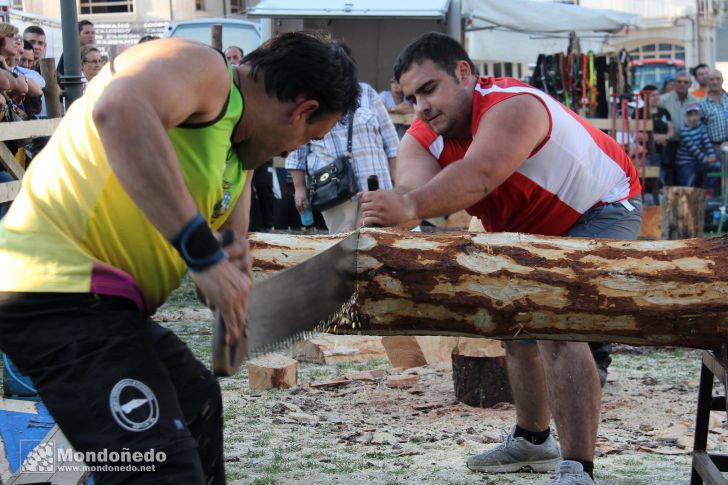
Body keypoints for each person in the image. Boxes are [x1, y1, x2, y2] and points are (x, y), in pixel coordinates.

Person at [0, 32, 358, 484]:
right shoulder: (205, 70)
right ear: (302, 109)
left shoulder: (238, 155)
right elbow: (119, 110)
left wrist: (234, 303)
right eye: (311, 135)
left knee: (196, 403)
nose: (295, 151)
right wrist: (201, 254)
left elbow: (232, 244)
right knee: (160, 470)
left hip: (103, 308)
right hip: (55, 292)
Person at [360, 32, 642, 485]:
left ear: (464, 73)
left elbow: (480, 176)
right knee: (515, 319)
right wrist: (392, 214)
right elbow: (413, 190)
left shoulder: (515, 104)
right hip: (533, 226)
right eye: (411, 98)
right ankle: (534, 443)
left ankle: (578, 469)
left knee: (555, 323)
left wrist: (409, 207)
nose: (421, 107)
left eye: (429, 89)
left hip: (601, 206)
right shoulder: (423, 134)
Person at [287, 54, 398, 233]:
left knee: (378, 243)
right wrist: (299, 188)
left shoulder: (367, 92)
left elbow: (391, 141)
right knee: (342, 245)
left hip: (374, 186)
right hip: (333, 189)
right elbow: (297, 150)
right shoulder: (312, 98)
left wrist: (397, 182)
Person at [659, 71, 697, 186]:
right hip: (668, 144)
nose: (682, 84)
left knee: (685, 178)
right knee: (668, 177)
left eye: (685, 82)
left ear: (690, 84)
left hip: (688, 146)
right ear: (674, 83)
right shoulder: (663, 100)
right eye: (679, 81)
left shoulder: (696, 101)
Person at [634, 85, 673, 183]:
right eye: (653, 95)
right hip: (645, 153)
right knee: (646, 181)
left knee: (660, 180)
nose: (657, 98)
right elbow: (637, 134)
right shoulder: (639, 112)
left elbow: (671, 131)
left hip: (663, 153)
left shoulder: (664, 112)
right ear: (645, 98)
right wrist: (657, 138)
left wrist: (666, 137)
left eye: (657, 95)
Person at [675, 103, 718, 188]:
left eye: (696, 114)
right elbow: (694, 150)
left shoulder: (702, 127)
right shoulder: (684, 131)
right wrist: (707, 160)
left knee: (717, 166)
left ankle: (707, 190)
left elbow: (707, 143)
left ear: (699, 116)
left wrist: (712, 156)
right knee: (688, 184)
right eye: (691, 115)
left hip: (698, 161)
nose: (694, 118)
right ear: (687, 116)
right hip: (685, 163)